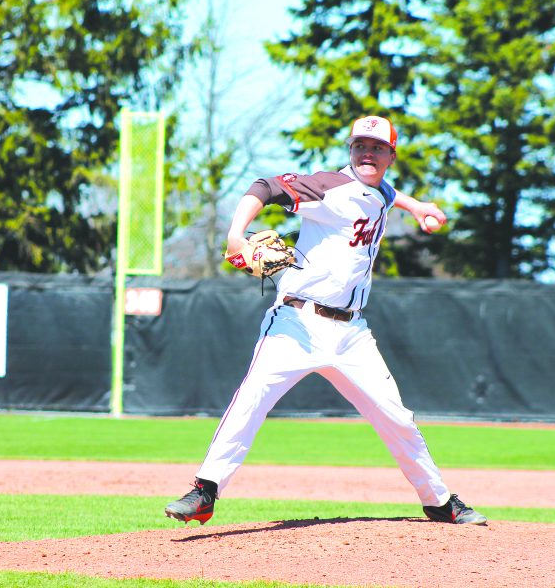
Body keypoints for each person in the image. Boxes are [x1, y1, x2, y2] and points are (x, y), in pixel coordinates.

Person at [164, 115, 487, 526]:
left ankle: (439, 501)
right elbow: (264, 187)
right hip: (297, 322)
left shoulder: (380, 190)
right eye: (359, 147)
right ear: (350, 151)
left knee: (397, 418)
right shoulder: (328, 186)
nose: (366, 153)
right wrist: (236, 234)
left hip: (352, 333)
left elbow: (386, 193)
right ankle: (206, 490)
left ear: (391, 155)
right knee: (252, 399)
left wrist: (418, 206)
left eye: (376, 148)